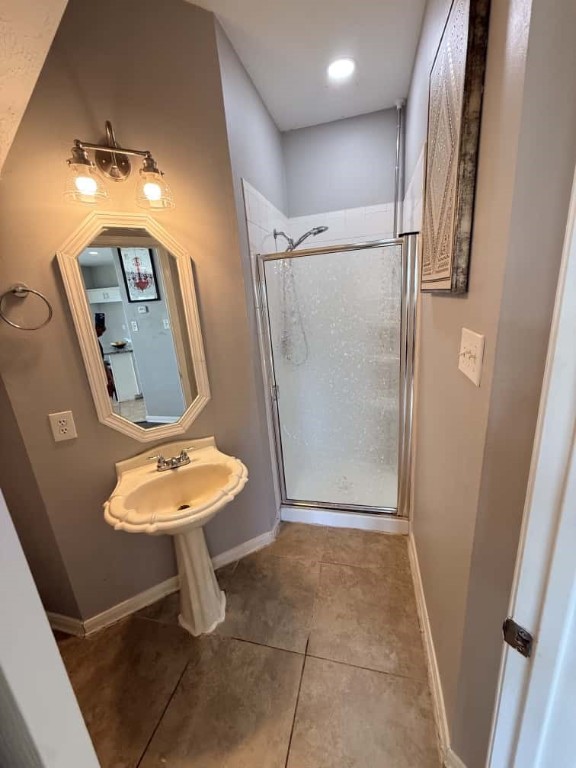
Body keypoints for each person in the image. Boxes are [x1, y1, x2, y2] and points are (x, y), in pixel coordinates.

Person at [95, 312, 116, 399]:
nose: (102, 334)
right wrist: (108, 376)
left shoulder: (97, 341)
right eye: (102, 331)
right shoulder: (93, 342)